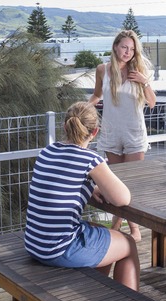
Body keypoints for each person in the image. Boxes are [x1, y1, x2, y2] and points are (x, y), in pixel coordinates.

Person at [24, 101, 141, 290]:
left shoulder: (46, 152)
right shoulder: (90, 159)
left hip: (34, 243)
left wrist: (89, 187)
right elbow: (123, 199)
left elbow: (60, 183)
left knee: (102, 232)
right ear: (95, 132)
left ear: (65, 126)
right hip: (58, 249)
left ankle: (93, 291)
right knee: (128, 244)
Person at [89, 29, 157, 242]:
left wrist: (144, 82)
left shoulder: (139, 71)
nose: (128, 52)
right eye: (124, 47)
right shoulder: (103, 70)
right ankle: (122, 227)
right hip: (110, 132)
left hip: (134, 132)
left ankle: (125, 227)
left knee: (132, 183)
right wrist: (80, 108)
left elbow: (152, 103)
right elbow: (97, 95)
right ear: (115, 47)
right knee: (116, 184)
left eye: (132, 49)